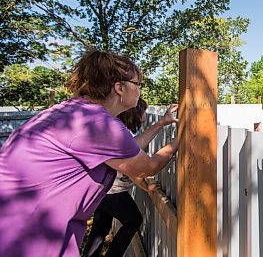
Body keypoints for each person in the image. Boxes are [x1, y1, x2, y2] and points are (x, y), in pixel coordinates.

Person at [0, 49, 179, 257]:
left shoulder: (70, 114)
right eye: (138, 84)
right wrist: (181, 137)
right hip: (30, 239)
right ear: (120, 88)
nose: (140, 91)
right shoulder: (98, 125)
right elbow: (147, 166)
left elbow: (128, 149)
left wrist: (162, 123)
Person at [83, 98, 170, 257]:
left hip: (103, 191)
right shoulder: (122, 134)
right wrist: (144, 182)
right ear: (134, 113)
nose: (145, 114)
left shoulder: (124, 132)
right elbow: (132, 167)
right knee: (134, 220)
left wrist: (143, 184)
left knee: (99, 229)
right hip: (112, 192)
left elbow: (131, 165)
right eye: (143, 111)